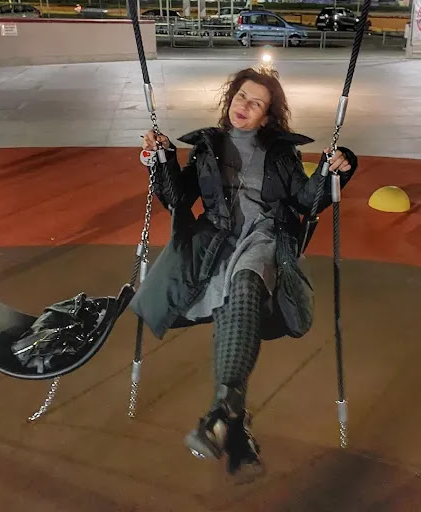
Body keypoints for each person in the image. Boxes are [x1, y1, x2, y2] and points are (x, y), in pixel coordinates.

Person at [130, 67, 358, 481]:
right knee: (232, 308)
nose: (245, 106)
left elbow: (305, 200)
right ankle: (231, 420)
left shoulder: (281, 152)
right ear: (230, 99)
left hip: (265, 234)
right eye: (241, 97)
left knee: (248, 283)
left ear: (267, 116)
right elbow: (177, 197)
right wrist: (160, 158)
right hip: (218, 238)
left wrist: (334, 170)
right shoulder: (206, 146)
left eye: (256, 103)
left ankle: (226, 411)